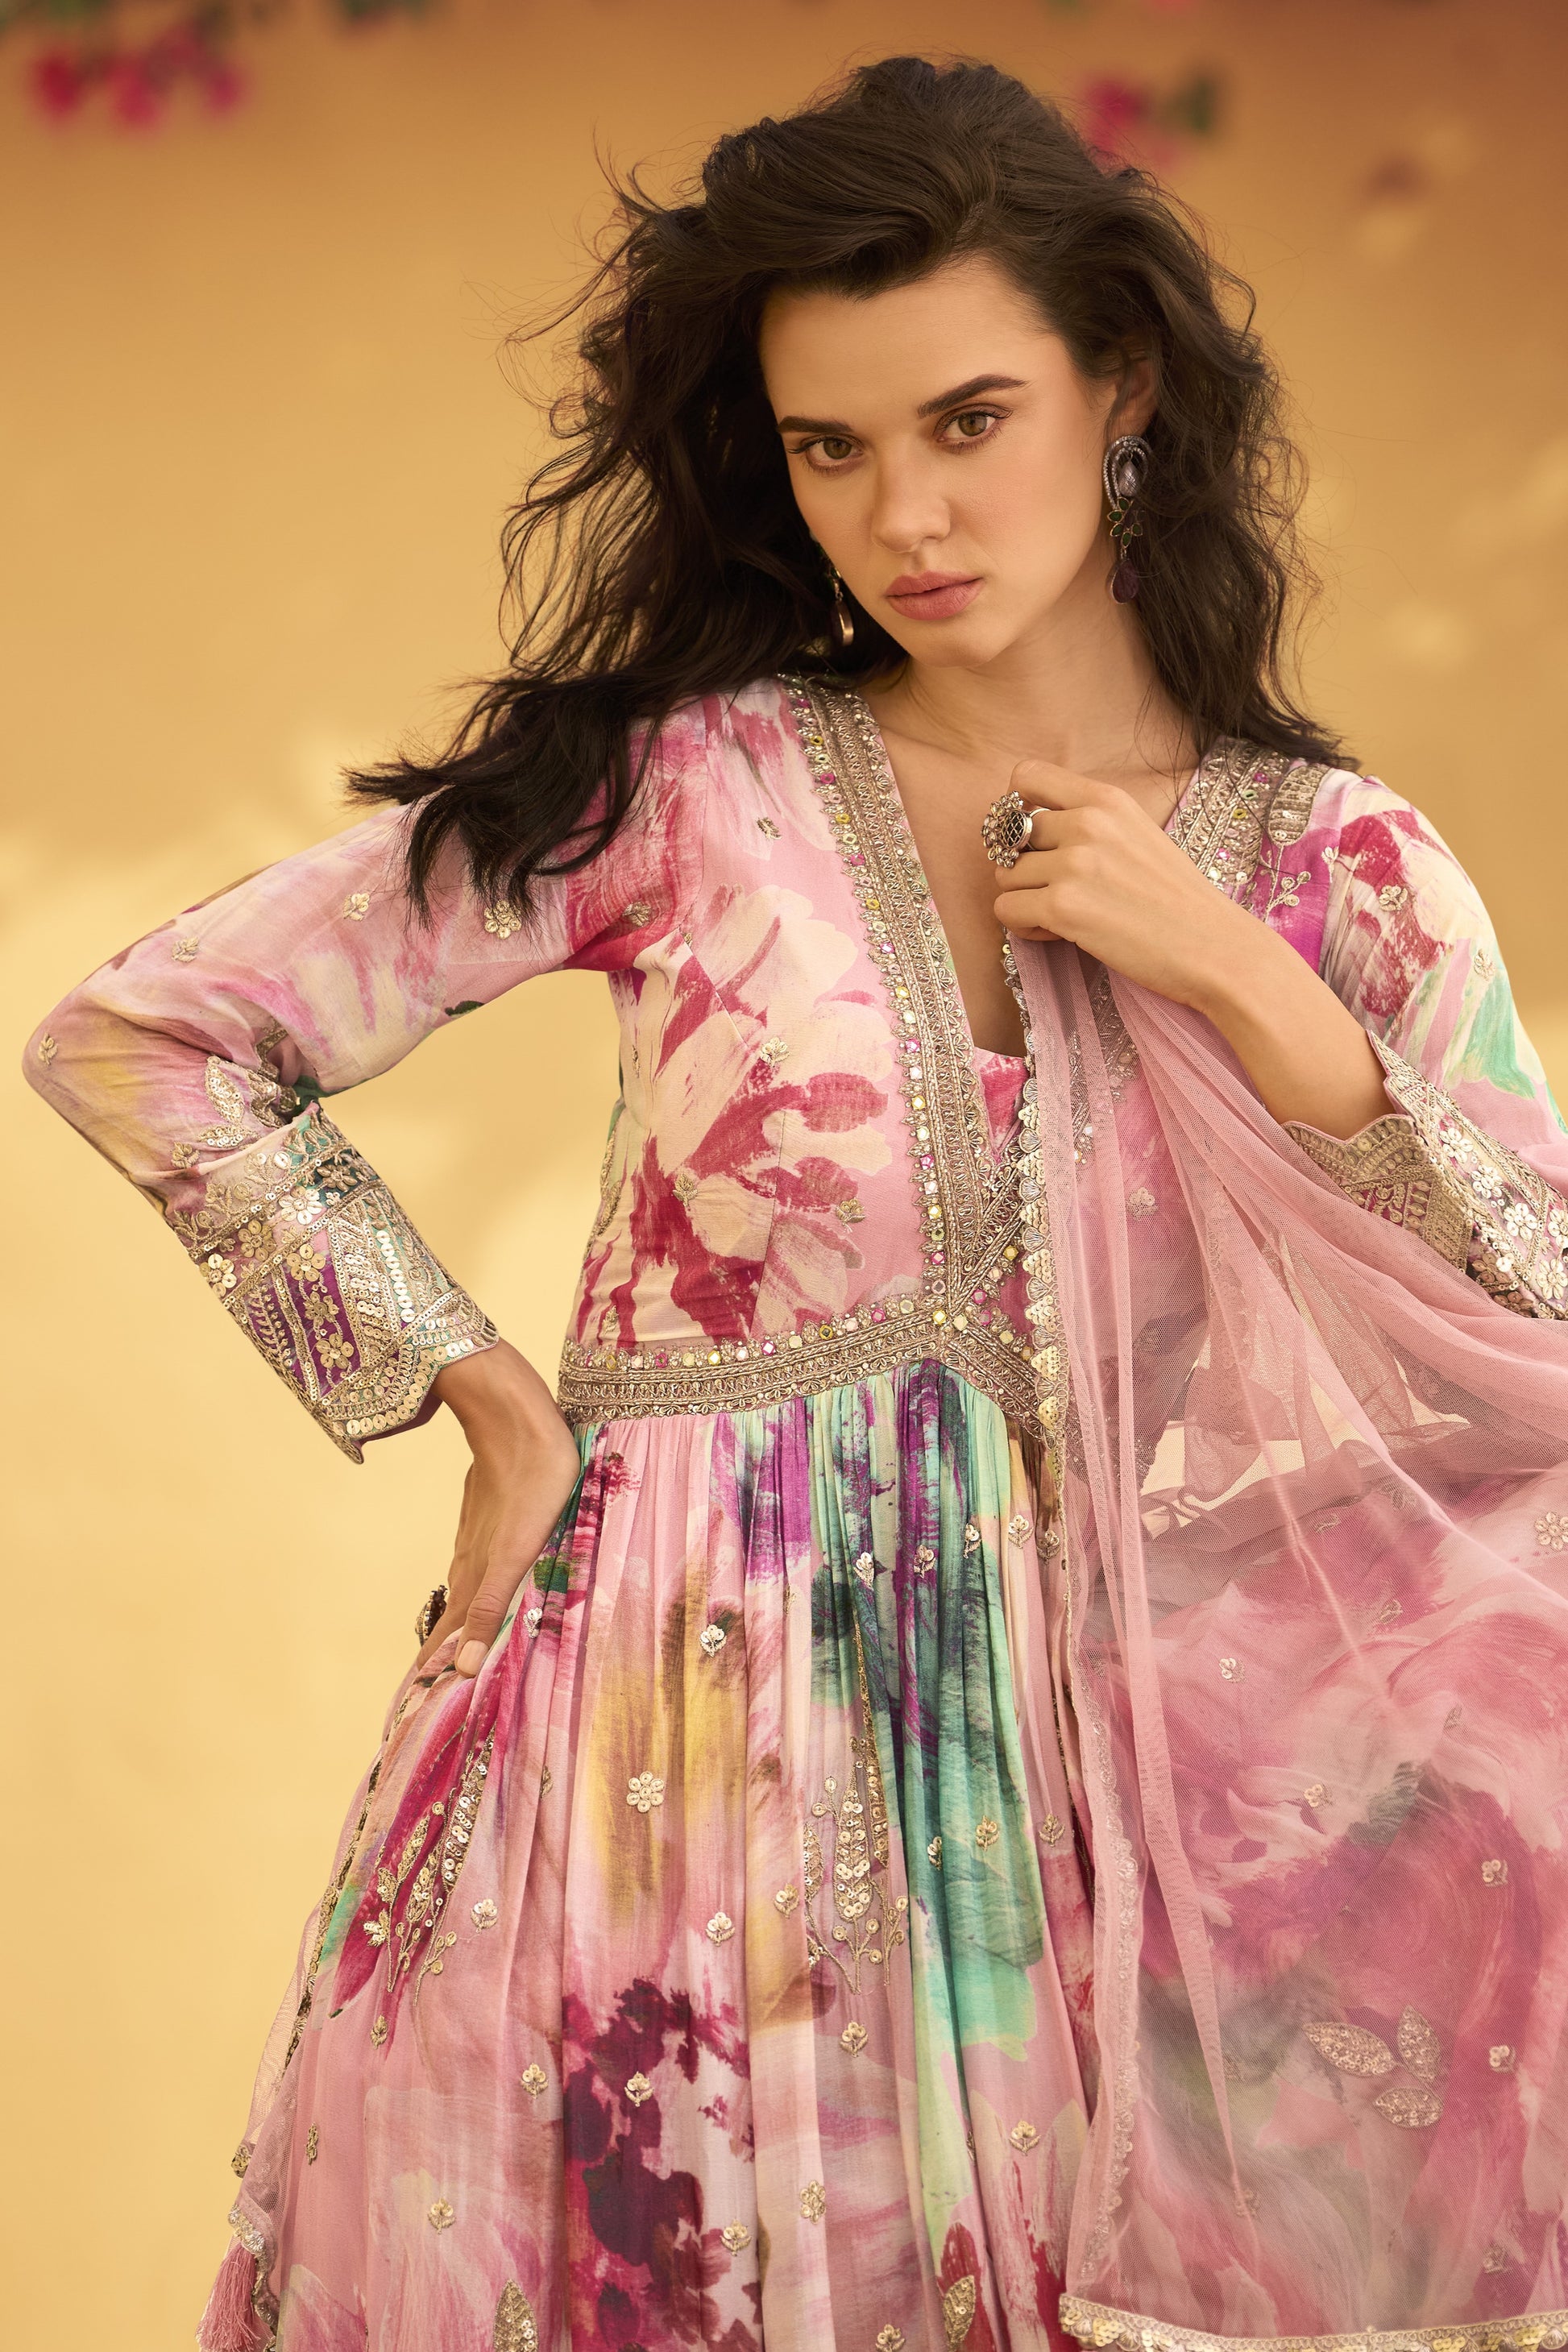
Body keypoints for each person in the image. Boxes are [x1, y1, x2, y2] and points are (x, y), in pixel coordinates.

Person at [27, 53, 1568, 2352]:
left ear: (1122, 388)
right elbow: (149, 1034)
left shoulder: (1337, 869)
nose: (901, 513)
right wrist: (480, 1398)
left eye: (968, 421)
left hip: (1107, 1832)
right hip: (648, 1760)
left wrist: (1244, 983)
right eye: (829, 448)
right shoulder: (691, 787)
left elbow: (1535, 1315)